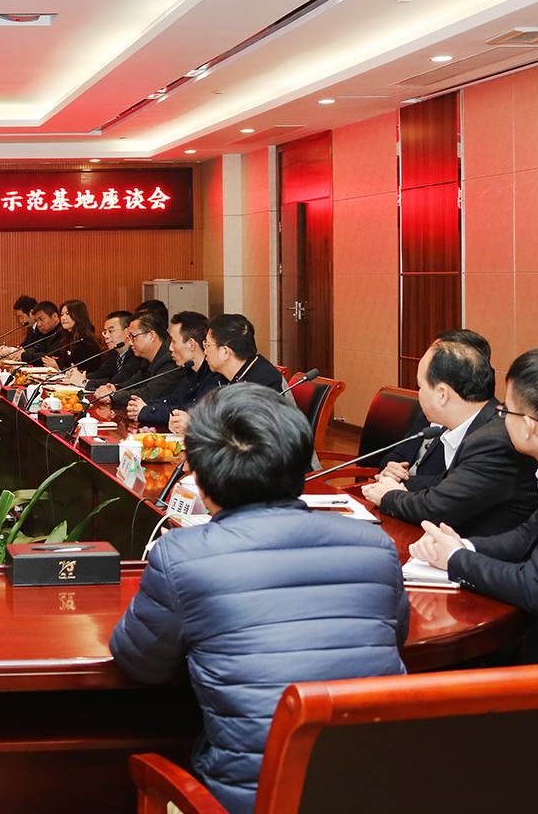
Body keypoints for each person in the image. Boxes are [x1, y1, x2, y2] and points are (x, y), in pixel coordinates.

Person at [111, 384, 408, 814]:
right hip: (377, 791)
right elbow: (395, 636)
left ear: (199, 478)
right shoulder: (375, 545)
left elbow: (140, 664)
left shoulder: (181, 557)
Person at [410, 347, 538, 663]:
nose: (500, 416)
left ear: (529, 426)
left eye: (506, 410)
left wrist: (456, 560)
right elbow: (527, 535)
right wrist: (463, 546)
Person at [360, 330, 537, 536]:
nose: (419, 394)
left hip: (482, 548)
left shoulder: (492, 440)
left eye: (420, 386)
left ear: (442, 394)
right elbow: (444, 487)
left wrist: (388, 496)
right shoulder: (474, 426)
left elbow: (437, 507)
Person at [126, 311, 221, 433]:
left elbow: (190, 410)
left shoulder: (215, 375)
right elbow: (173, 400)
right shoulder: (191, 371)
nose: (170, 348)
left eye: (174, 341)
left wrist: (145, 411)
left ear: (191, 344)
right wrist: (143, 406)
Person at [103, 311, 179, 407]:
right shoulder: (148, 358)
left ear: (152, 336)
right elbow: (134, 383)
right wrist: (114, 389)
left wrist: (113, 395)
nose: (130, 343)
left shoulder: (171, 359)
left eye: (133, 337)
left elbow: (149, 394)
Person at [202, 313, 286, 391]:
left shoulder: (264, 383)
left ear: (225, 352)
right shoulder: (224, 377)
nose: (205, 352)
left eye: (207, 344)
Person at [69, 310, 140, 390]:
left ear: (128, 332)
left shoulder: (136, 354)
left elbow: (117, 382)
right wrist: (79, 376)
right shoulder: (114, 353)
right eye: (105, 332)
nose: (106, 336)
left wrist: (84, 382)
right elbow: (101, 373)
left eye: (111, 331)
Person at [41, 300, 103, 373]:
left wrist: (59, 366)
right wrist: (58, 361)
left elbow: (83, 370)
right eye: (62, 314)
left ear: (79, 315)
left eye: (68, 314)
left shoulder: (86, 341)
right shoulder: (68, 338)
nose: (63, 318)